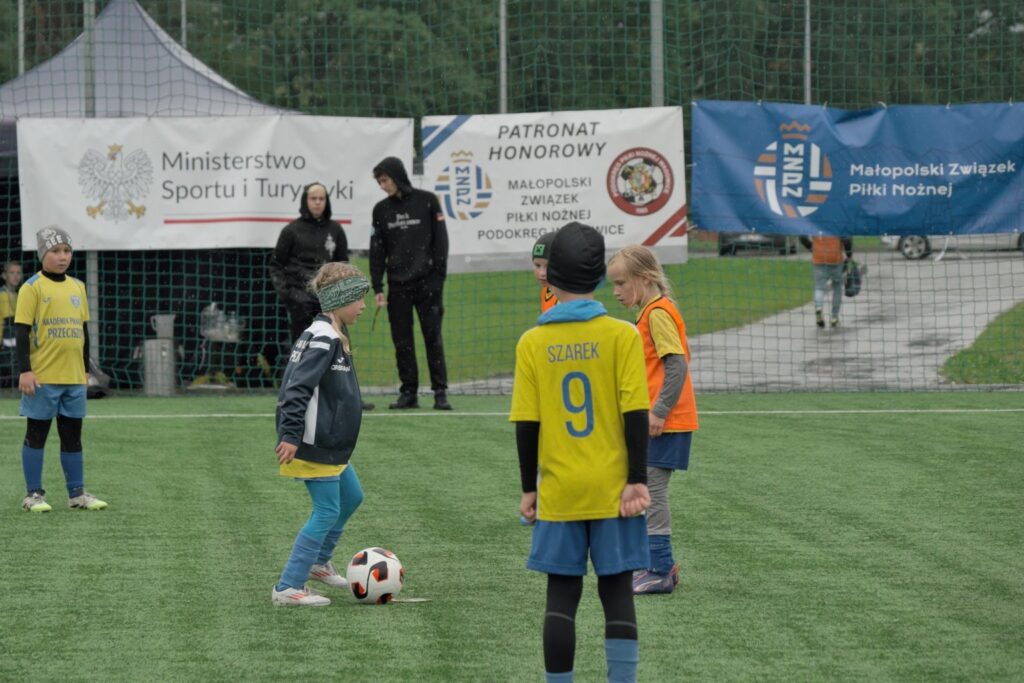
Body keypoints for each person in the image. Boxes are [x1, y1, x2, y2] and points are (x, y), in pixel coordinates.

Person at [510, 222, 651, 683]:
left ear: (550, 277)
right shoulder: (622, 335)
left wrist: (529, 489)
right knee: (617, 592)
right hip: (614, 489)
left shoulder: (532, 342)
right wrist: (637, 479)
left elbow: (527, 424)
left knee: (561, 596)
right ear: (599, 277)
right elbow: (635, 413)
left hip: (560, 490)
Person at [272, 262, 370, 607]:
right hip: (313, 443)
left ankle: (318, 562)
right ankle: (288, 586)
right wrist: (290, 434)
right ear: (339, 300)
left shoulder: (331, 332)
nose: (363, 306)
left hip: (332, 444)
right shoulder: (323, 338)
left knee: (352, 497)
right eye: (358, 298)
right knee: (327, 510)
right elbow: (296, 388)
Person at [607, 245, 698, 595]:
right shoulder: (650, 312)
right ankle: (652, 563)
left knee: (653, 491)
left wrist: (659, 410)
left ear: (645, 279)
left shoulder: (657, 313)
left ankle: (660, 568)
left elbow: (676, 365)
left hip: (666, 421)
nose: (616, 292)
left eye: (620, 283)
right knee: (646, 488)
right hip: (659, 419)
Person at [15, 227, 107, 512]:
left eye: (66, 251)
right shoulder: (32, 287)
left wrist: (85, 370)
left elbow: (84, 331)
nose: (62, 256)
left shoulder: (78, 286)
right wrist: (25, 371)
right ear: (43, 254)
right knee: (37, 435)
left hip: (73, 378)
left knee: (72, 437)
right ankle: (33, 495)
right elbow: (21, 332)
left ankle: (76, 494)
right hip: (42, 378)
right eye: (55, 251)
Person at [269, 182, 373, 410]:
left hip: (331, 303)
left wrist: (344, 297)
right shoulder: (291, 231)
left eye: (321, 198)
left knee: (340, 345)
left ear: (327, 201)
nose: (317, 202)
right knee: (302, 348)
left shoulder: (336, 230)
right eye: (313, 198)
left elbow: (344, 267)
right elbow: (276, 266)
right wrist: (289, 295)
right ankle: (293, 395)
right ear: (305, 201)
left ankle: (349, 397)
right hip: (300, 302)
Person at [370, 157, 452, 411]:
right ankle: (409, 392)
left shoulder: (428, 201)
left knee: (433, 337)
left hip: (428, 284)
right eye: (379, 182)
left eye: (385, 180)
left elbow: (441, 241)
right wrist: (378, 286)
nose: (382, 186)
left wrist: (438, 277)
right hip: (398, 286)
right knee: (402, 341)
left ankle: (440, 392)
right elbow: (377, 250)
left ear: (397, 176)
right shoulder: (380, 210)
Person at [799, 235, 853, 328]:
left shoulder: (816, 225)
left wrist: (812, 247)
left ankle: (818, 308)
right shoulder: (838, 225)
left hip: (818, 257)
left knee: (819, 287)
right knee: (837, 287)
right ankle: (834, 317)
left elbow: (802, 236)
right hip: (835, 257)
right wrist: (849, 255)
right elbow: (847, 239)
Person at [0, 260, 22, 386]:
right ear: (4, 275)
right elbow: (7, 320)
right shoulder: (2, 295)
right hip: (5, 342)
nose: (15, 276)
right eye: (12, 272)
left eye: (18, 273)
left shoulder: (18, 295)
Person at [531, 231, 558, 313]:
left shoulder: (569, 297)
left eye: (548, 266)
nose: (541, 273)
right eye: (537, 265)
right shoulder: (547, 290)